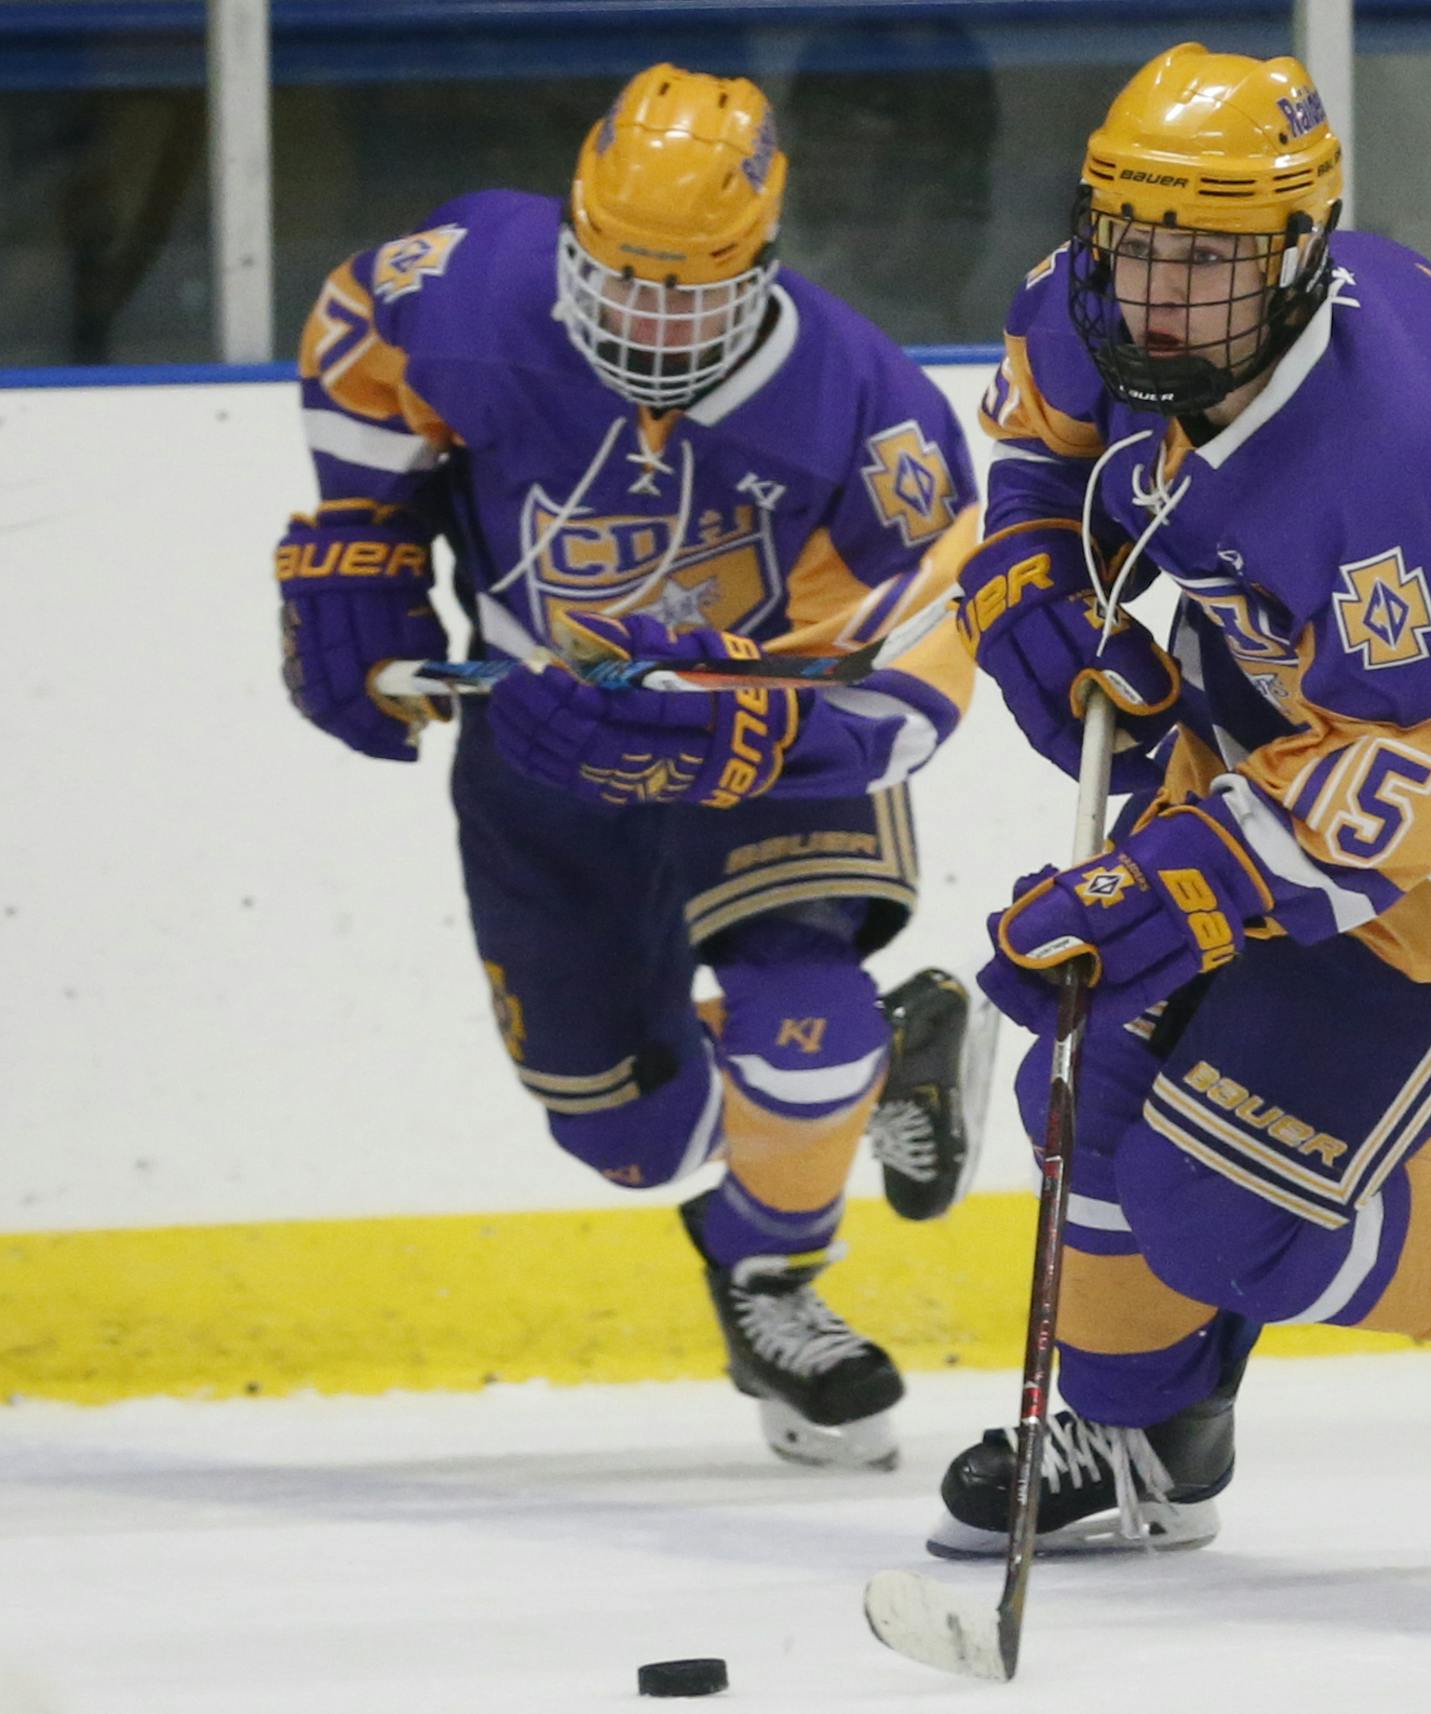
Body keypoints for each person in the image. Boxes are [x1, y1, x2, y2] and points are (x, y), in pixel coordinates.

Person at [928, 42, 1431, 1554]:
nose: (1158, 295)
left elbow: (1383, 805)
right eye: (1137, 244)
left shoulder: (1387, 459)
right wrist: (1029, 561)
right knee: (1081, 1097)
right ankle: (1148, 1434)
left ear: (1297, 256)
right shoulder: (1117, 290)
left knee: (1227, 1215)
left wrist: (1152, 893)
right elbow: (1043, 439)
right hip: (1265, 743)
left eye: (1208, 262)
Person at [275, 63, 995, 1472]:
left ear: (762, 263)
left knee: (807, 1026)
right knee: (630, 1138)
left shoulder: (868, 412)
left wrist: (763, 731)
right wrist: (362, 535)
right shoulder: (469, 290)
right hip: (534, 741)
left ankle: (777, 1272)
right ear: (571, 235)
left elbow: (923, 668)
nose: (648, 318)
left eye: (690, 289)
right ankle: (887, 1068)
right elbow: (358, 336)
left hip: (755, 747)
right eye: (621, 279)